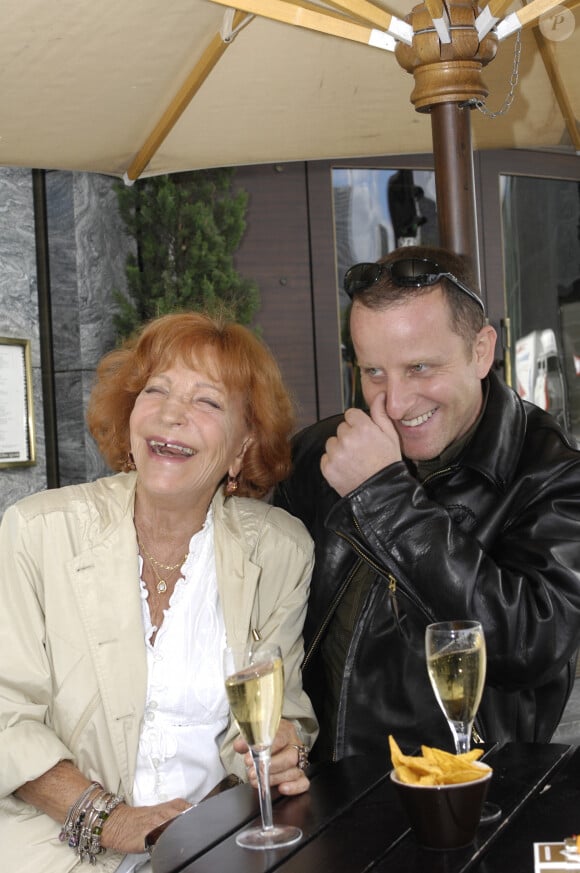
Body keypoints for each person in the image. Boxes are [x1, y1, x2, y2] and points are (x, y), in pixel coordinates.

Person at [0, 312, 317, 873]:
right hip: (50, 851)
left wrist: (283, 750)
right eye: (157, 391)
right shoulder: (37, 532)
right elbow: (5, 716)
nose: (172, 414)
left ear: (242, 448)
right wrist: (111, 820)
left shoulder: (279, 552)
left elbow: (283, 713)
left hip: (210, 852)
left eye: (208, 402)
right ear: (130, 418)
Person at [274, 244, 580, 762]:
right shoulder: (318, 455)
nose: (394, 403)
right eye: (373, 372)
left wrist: (385, 495)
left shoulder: (553, 474)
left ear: (482, 351)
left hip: (468, 803)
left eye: (419, 368)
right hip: (321, 800)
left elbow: (530, 646)